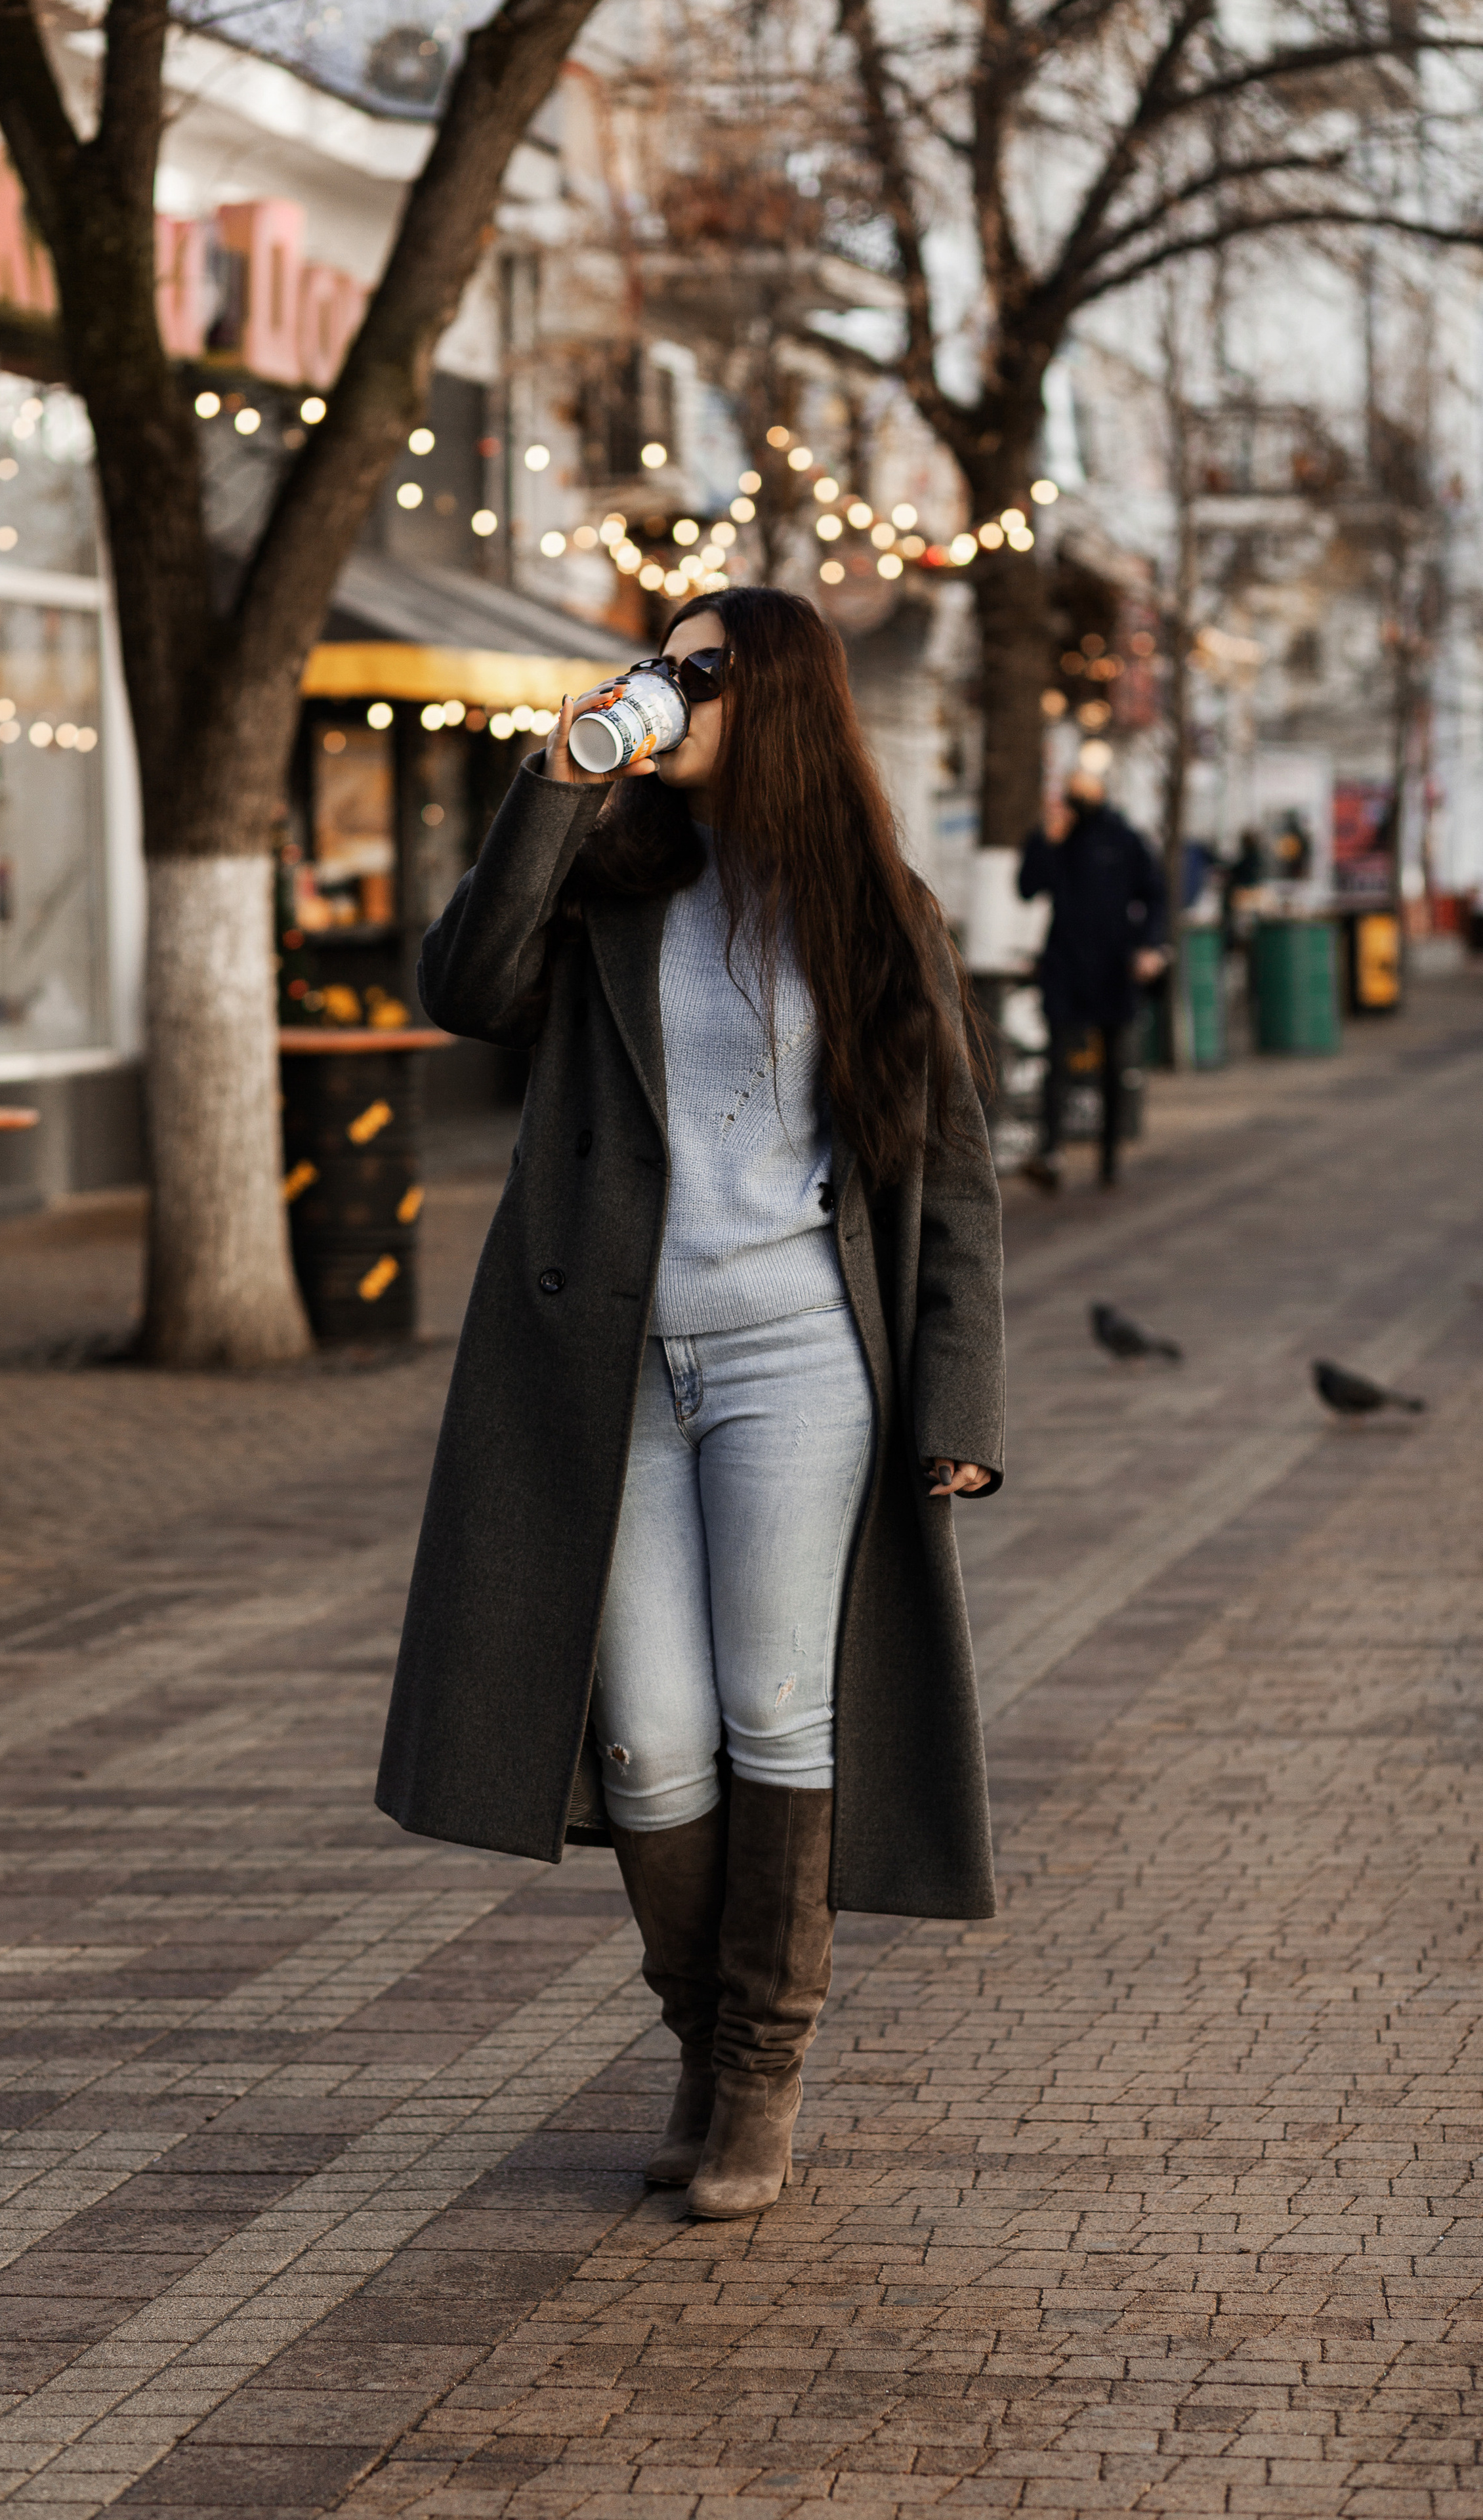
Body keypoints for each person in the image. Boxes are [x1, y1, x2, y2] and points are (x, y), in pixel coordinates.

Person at [375, 588, 1007, 2219]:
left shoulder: (876, 909)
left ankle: (756, 2078)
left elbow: (948, 1170)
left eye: (698, 670)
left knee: (774, 1704)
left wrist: (955, 1396)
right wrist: (559, 780)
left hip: (799, 1356)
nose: (666, 687)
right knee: (649, 1738)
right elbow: (463, 988)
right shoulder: (605, 881)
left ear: (779, 696)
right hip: (607, 1369)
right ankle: (700, 2042)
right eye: (658, 661)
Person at [1017, 771, 1167, 1190]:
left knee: (1113, 1065)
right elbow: (1028, 887)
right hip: (1065, 964)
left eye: (1085, 792)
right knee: (1057, 1062)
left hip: (1113, 967)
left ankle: (1109, 1159)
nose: (1077, 800)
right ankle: (1051, 1153)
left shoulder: (1124, 839)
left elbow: (1154, 895)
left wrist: (1150, 946)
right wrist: (1048, 841)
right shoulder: (1057, 837)